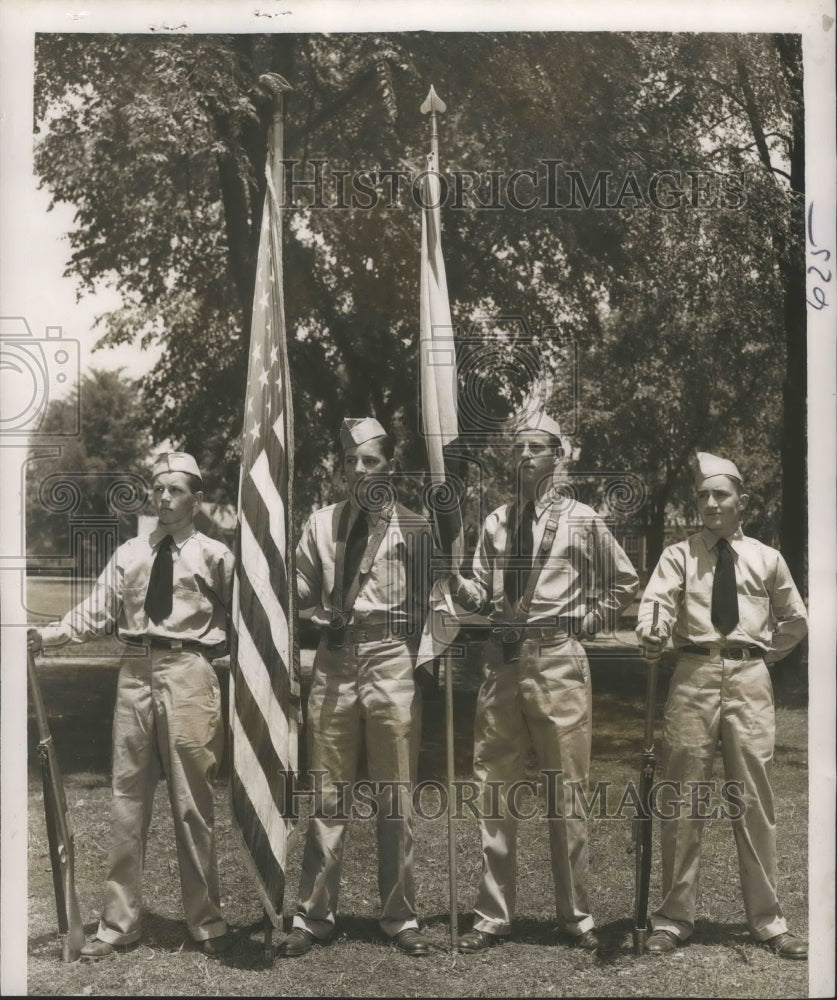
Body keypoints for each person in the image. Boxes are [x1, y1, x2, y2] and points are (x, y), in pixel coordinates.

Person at [28, 452, 234, 959]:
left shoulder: (216, 556)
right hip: (135, 671)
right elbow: (97, 612)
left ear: (196, 498)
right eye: (158, 488)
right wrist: (47, 635)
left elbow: (249, 623)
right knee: (126, 800)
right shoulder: (130, 553)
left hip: (190, 672)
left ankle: (205, 921)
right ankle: (119, 924)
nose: (164, 498)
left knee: (192, 804)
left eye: (176, 490)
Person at [450, 412, 639, 953]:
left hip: (557, 658)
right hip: (501, 660)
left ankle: (576, 915)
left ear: (558, 457)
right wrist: (454, 583)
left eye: (537, 448)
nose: (525, 456)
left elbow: (624, 579)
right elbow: (483, 596)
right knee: (495, 789)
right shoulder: (496, 522)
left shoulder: (581, 519)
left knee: (567, 791)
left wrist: (591, 620)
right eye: (519, 449)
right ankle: (492, 915)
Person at [636, 451, 808, 959]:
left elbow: (795, 620)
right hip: (693, 676)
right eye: (703, 496)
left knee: (753, 799)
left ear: (742, 502)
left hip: (750, 680)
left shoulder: (766, 557)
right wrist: (653, 629)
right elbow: (658, 604)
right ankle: (672, 918)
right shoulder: (678, 556)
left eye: (721, 495)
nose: (710, 504)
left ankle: (768, 921)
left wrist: (759, 656)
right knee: (683, 797)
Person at [280, 417, 433, 958]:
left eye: (369, 460)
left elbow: (435, 600)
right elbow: (296, 586)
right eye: (350, 461)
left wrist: (424, 655)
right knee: (326, 792)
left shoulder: (415, 527)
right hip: (333, 658)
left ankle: (400, 916)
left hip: (390, 657)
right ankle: (313, 914)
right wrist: (295, 594)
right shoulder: (320, 524)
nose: (359, 470)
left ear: (388, 466)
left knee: (395, 791)